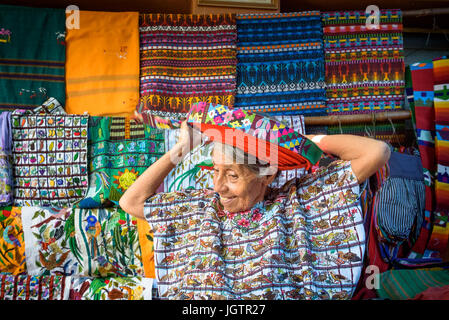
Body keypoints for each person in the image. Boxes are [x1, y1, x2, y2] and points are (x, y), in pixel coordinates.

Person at [120, 103, 390, 300]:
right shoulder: (201, 208)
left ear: (267, 175)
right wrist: (181, 149)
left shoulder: (296, 203)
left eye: (232, 175)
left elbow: (377, 151)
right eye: (215, 170)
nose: (218, 186)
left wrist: (304, 143)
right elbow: (131, 202)